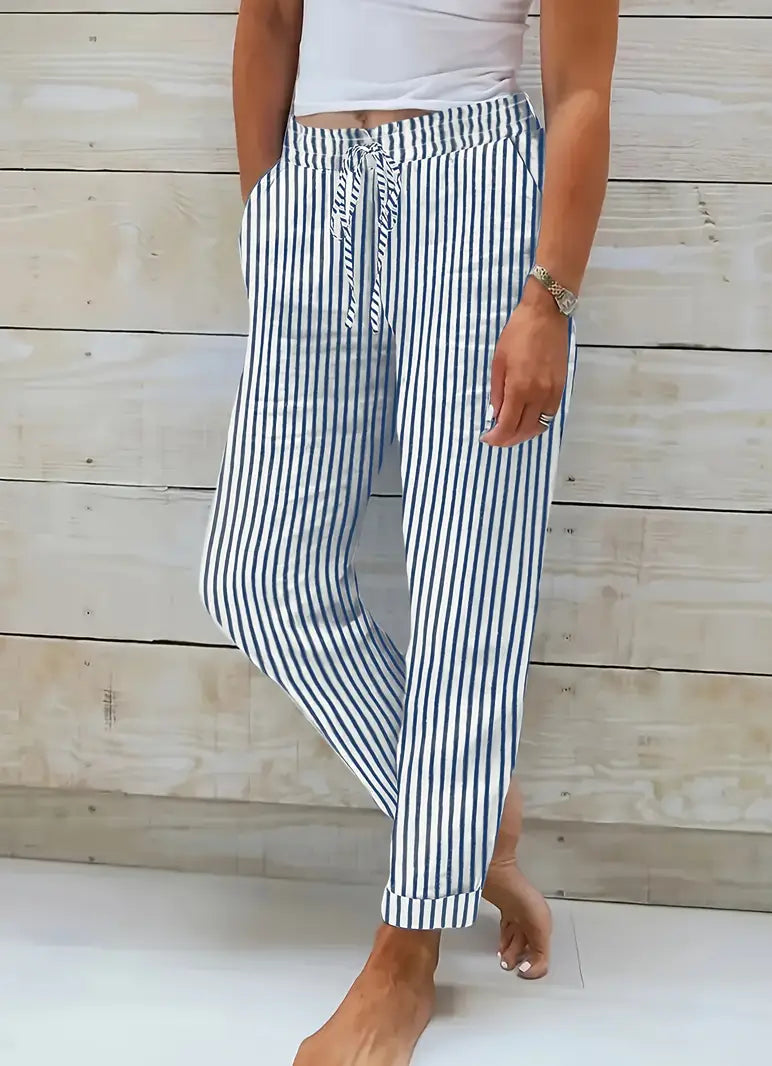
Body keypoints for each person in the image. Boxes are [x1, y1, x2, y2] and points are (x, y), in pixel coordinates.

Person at [200, 0, 619, 1061]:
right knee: (258, 577)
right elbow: (270, 20)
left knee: (463, 590)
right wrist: (267, 211)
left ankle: (405, 959)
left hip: (473, 196)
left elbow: (579, 89)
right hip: (311, 188)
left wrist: (550, 298)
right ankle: (467, 824)